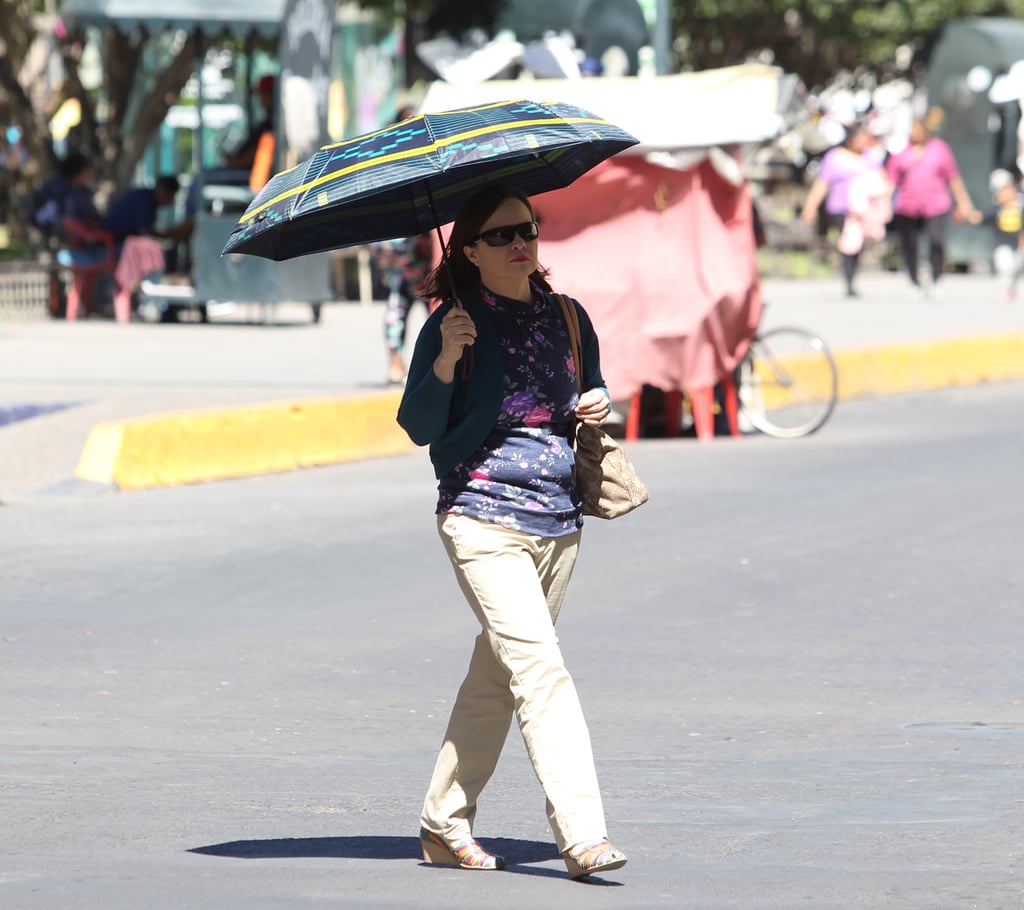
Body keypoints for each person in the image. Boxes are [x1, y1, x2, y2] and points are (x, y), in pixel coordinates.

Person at [396, 184, 627, 881]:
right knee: (540, 669)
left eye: (528, 228)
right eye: (500, 235)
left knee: (498, 676)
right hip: (480, 514)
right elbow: (419, 426)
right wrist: (445, 361)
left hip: (558, 519)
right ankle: (582, 834)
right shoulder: (453, 323)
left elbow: (589, 389)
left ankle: (443, 823)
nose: (520, 243)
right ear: (469, 250)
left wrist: (597, 401)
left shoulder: (567, 315)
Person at [886, 115, 981, 296]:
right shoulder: (902, 152)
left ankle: (937, 278)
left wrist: (964, 204)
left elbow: (953, 178)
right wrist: (883, 203)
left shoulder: (939, 150)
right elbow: (891, 180)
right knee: (910, 245)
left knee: (936, 241)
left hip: (935, 205)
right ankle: (914, 280)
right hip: (908, 206)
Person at [800, 124, 881, 298]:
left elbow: (881, 179)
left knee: (858, 244)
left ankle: (853, 275)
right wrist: (810, 206)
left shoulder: (869, 157)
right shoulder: (835, 157)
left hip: (862, 210)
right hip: (840, 207)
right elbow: (822, 184)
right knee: (847, 240)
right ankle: (848, 279)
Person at [374, 232, 434, 383]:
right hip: (402, 274)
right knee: (395, 316)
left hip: (431, 271)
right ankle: (396, 364)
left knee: (442, 316)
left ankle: (446, 364)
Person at [102, 175, 188, 245]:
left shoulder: (148, 198)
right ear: (163, 192)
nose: (171, 201)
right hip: (112, 244)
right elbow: (144, 233)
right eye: (171, 197)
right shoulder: (144, 200)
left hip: (119, 242)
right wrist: (169, 235)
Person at [981, 169, 1024, 302]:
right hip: (1003, 243)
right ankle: (1005, 288)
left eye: (1006, 189)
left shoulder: (1020, 204)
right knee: (1005, 264)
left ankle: (1011, 286)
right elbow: (982, 218)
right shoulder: (997, 208)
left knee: (1017, 267)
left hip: (1019, 244)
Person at [224, 75, 275, 171]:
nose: (261, 99)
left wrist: (237, 161)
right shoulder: (265, 124)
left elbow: (258, 154)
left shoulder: (275, 126)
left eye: (264, 94)